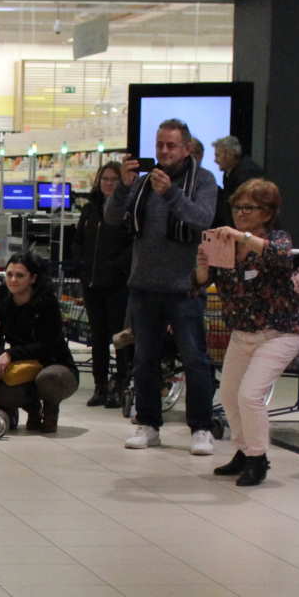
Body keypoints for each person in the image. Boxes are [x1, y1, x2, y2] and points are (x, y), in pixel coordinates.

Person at [105, 117, 218, 454]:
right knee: (144, 359)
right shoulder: (142, 184)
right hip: (144, 285)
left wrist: (170, 194)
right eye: (159, 145)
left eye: (171, 145)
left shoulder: (204, 180)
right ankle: (148, 423)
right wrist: (124, 185)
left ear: (186, 148)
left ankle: (201, 427)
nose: (164, 151)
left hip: (185, 287)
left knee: (195, 359)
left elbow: (201, 218)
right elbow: (112, 218)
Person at [194, 179, 299, 487]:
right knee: (229, 394)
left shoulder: (277, 239)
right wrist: (202, 266)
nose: (240, 213)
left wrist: (243, 236)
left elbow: (281, 258)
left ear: (267, 213)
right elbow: (202, 281)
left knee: (250, 395)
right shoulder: (223, 243)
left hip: (279, 333)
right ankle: (242, 451)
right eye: (237, 207)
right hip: (241, 333)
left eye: (249, 208)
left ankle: (258, 458)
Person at [0, 253, 80, 433]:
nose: (13, 280)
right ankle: (32, 409)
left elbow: (48, 345)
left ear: (33, 278)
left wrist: (10, 354)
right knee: (5, 392)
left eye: (20, 275)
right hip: (23, 363)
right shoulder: (1, 296)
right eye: (9, 274)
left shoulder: (47, 302)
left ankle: (50, 408)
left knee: (49, 379)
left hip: (55, 363)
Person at [74, 162, 133, 407]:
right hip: (92, 284)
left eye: (114, 179)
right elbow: (78, 241)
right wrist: (81, 267)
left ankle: (120, 385)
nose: (108, 183)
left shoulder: (126, 210)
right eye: (105, 178)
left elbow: (132, 245)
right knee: (97, 337)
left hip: (118, 285)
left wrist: (117, 268)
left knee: (119, 338)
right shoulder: (90, 210)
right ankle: (100, 385)